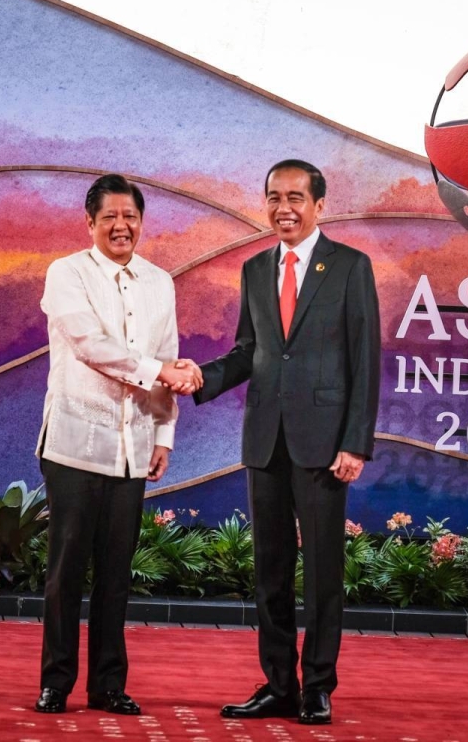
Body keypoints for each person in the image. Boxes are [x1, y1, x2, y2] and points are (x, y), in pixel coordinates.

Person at [181, 159, 380, 725]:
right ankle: (277, 686)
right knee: (270, 572)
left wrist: (355, 442)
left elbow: (365, 360)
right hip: (265, 441)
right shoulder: (254, 268)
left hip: (324, 446)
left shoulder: (350, 267)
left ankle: (317, 687)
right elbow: (251, 351)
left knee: (321, 573)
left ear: (320, 205)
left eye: (295, 197)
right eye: (273, 197)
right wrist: (203, 377)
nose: (283, 208)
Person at [33, 173, 201, 715]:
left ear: (141, 222)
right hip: (76, 444)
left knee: (114, 574)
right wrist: (159, 370)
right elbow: (89, 344)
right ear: (90, 223)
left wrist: (165, 434)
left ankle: (108, 685)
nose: (121, 226)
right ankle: (56, 682)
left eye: (130, 216)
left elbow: (169, 353)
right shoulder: (67, 273)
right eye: (109, 217)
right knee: (66, 570)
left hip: (134, 447)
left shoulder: (160, 282)